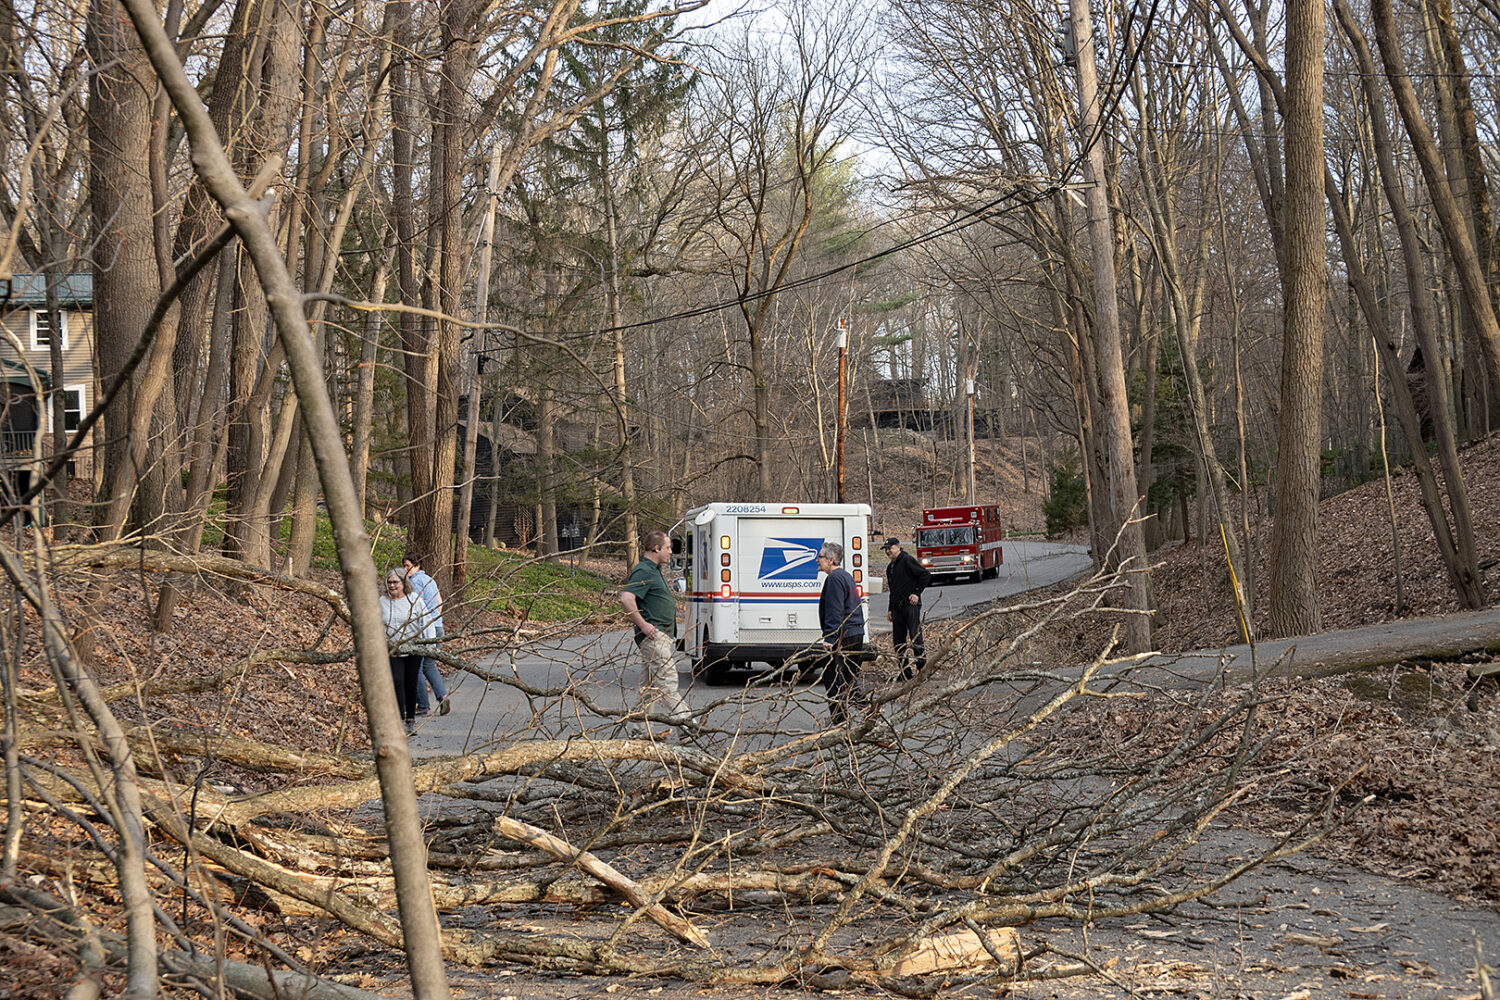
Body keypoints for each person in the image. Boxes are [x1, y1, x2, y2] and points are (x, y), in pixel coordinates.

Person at [619, 530, 690, 733]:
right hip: (653, 637)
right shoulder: (644, 570)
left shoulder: (654, 570)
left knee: (649, 689)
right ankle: (686, 725)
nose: (670, 552)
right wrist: (643, 625)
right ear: (656, 548)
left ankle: (638, 730)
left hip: (661, 637)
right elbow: (626, 598)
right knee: (667, 682)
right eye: (667, 548)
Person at [379, 570, 435, 733]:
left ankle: (410, 719)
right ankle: (400, 720)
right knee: (397, 682)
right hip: (392, 648)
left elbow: (427, 620)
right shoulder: (382, 601)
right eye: (389, 582)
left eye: (395, 582)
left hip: (413, 647)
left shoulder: (414, 600)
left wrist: (430, 642)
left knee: (411, 683)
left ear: (404, 583)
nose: (392, 585)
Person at [817, 541, 866, 724]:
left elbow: (834, 609)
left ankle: (840, 720)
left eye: (820, 557)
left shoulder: (835, 579)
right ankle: (868, 712)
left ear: (830, 560)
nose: (817, 561)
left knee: (833, 677)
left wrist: (830, 637)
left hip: (844, 635)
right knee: (847, 679)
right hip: (854, 632)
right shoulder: (845, 576)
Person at [402, 552, 450, 716]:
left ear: (417, 566)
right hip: (437, 627)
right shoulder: (431, 580)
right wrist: (436, 619)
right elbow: (439, 602)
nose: (405, 569)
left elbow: (413, 608)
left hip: (423, 630)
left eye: (408, 566)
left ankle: (423, 706)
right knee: (429, 665)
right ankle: (443, 697)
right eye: (404, 566)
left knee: (416, 668)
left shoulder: (413, 583)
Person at [882, 537, 932, 681]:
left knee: (915, 637)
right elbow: (893, 590)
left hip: (910, 606)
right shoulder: (890, 567)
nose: (887, 551)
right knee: (898, 641)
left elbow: (925, 575)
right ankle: (905, 672)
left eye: (890, 548)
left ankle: (923, 671)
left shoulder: (906, 560)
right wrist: (890, 609)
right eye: (885, 549)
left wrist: (916, 593)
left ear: (898, 547)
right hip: (897, 608)